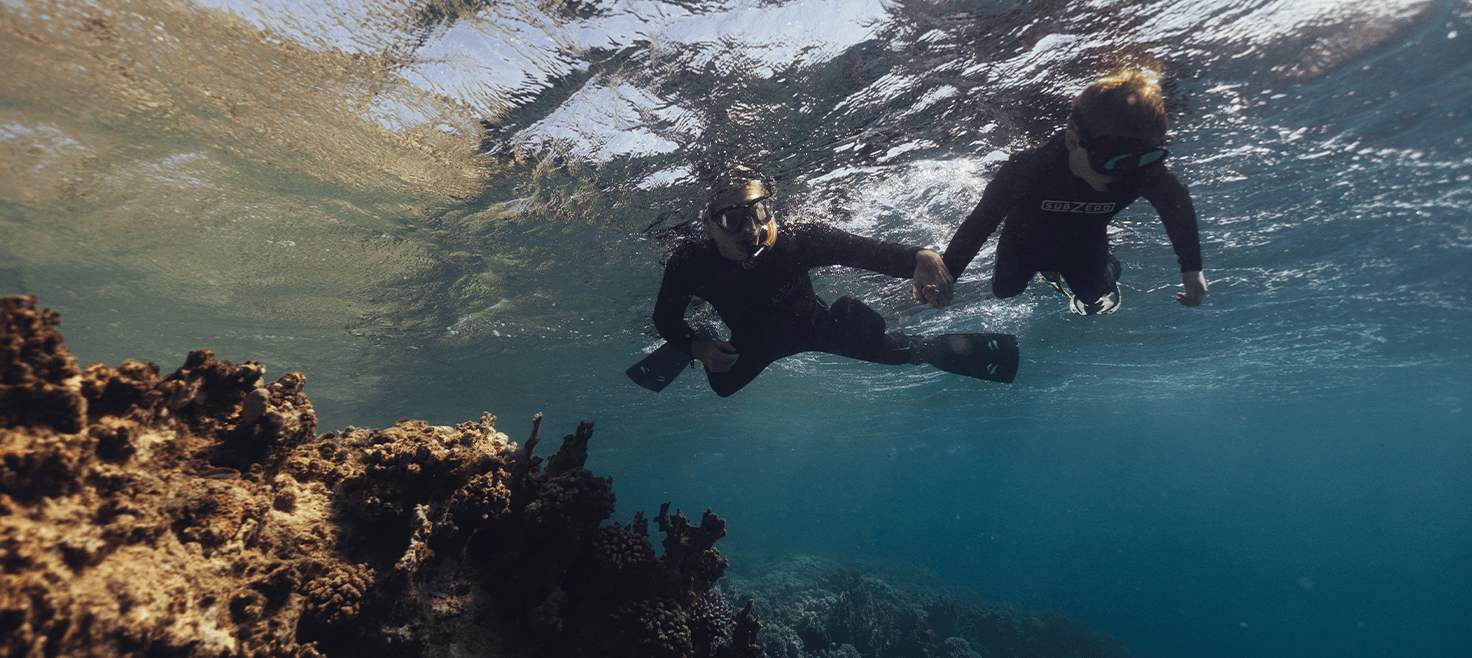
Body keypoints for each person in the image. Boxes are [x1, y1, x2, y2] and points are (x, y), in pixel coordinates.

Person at [646, 167, 1016, 397]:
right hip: (752, 341)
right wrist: (699, 348)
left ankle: (951, 351)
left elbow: (870, 252)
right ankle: (706, 326)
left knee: (900, 354)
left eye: (760, 212)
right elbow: (664, 318)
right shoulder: (690, 262)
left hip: (813, 324)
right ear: (709, 224)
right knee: (722, 387)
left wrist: (921, 256)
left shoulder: (797, 238)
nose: (753, 229)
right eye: (732, 220)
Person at [941, 69, 1208, 315]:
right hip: (1024, 238)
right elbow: (981, 223)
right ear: (1072, 141)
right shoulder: (1028, 169)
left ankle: (1109, 265)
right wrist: (947, 275)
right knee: (1005, 291)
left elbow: (1177, 206)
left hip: (1085, 241)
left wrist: (1192, 268)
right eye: (1111, 161)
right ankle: (1049, 268)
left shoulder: (1143, 172)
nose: (1123, 177)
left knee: (1092, 296)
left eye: (1146, 159)